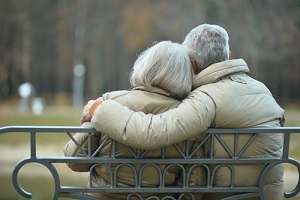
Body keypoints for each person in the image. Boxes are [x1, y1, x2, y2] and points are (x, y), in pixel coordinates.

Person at [81, 24, 285, 200]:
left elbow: (150, 133)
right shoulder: (262, 90)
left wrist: (100, 108)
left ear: (192, 65)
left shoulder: (207, 99)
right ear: (228, 57)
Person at [64, 40, 205, 199]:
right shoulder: (186, 114)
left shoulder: (108, 103)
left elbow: (74, 159)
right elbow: (195, 180)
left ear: (145, 66)